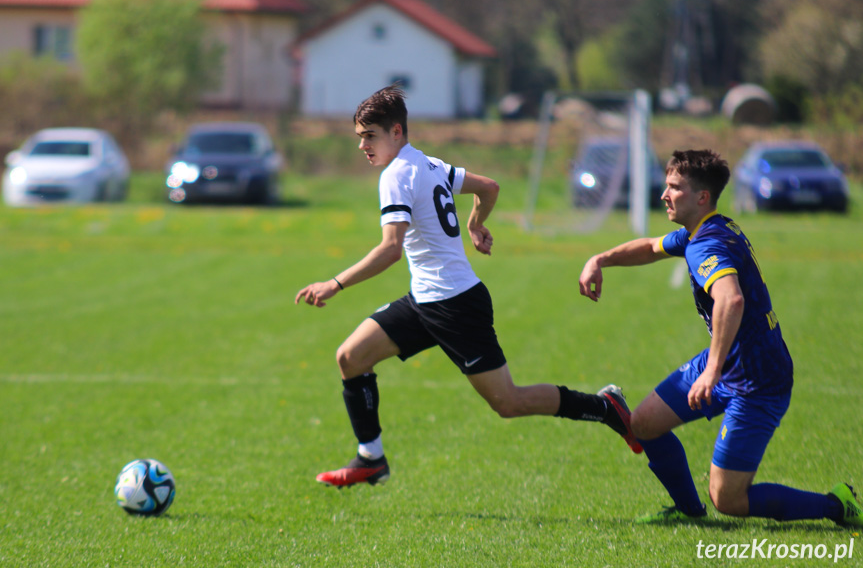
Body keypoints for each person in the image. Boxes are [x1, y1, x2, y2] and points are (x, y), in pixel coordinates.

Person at [295, 84, 641, 488]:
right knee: (351, 358)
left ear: (396, 132)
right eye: (360, 137)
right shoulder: (429, 164)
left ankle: (605, 407)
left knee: (508, 403)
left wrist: (334, 284)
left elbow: (391, 249)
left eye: (370, 135)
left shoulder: (397, 175)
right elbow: (489, 187)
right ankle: (371, 459)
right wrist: (475, 224)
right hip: (426, 299)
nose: (363, 146)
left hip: (455, 306)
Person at [578, 149, 862, 526]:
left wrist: (710, 372)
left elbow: (732, 299)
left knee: (728, 499)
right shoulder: (702, 230)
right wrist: (599, 259)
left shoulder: (706, 245)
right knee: (644, 423)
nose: (664, 195)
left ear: (702, 197)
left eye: (674, 188)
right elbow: (649, 247)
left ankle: (837, 505)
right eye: (666, 186)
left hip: (758, 379)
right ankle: (688, 511)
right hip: (727, 360)